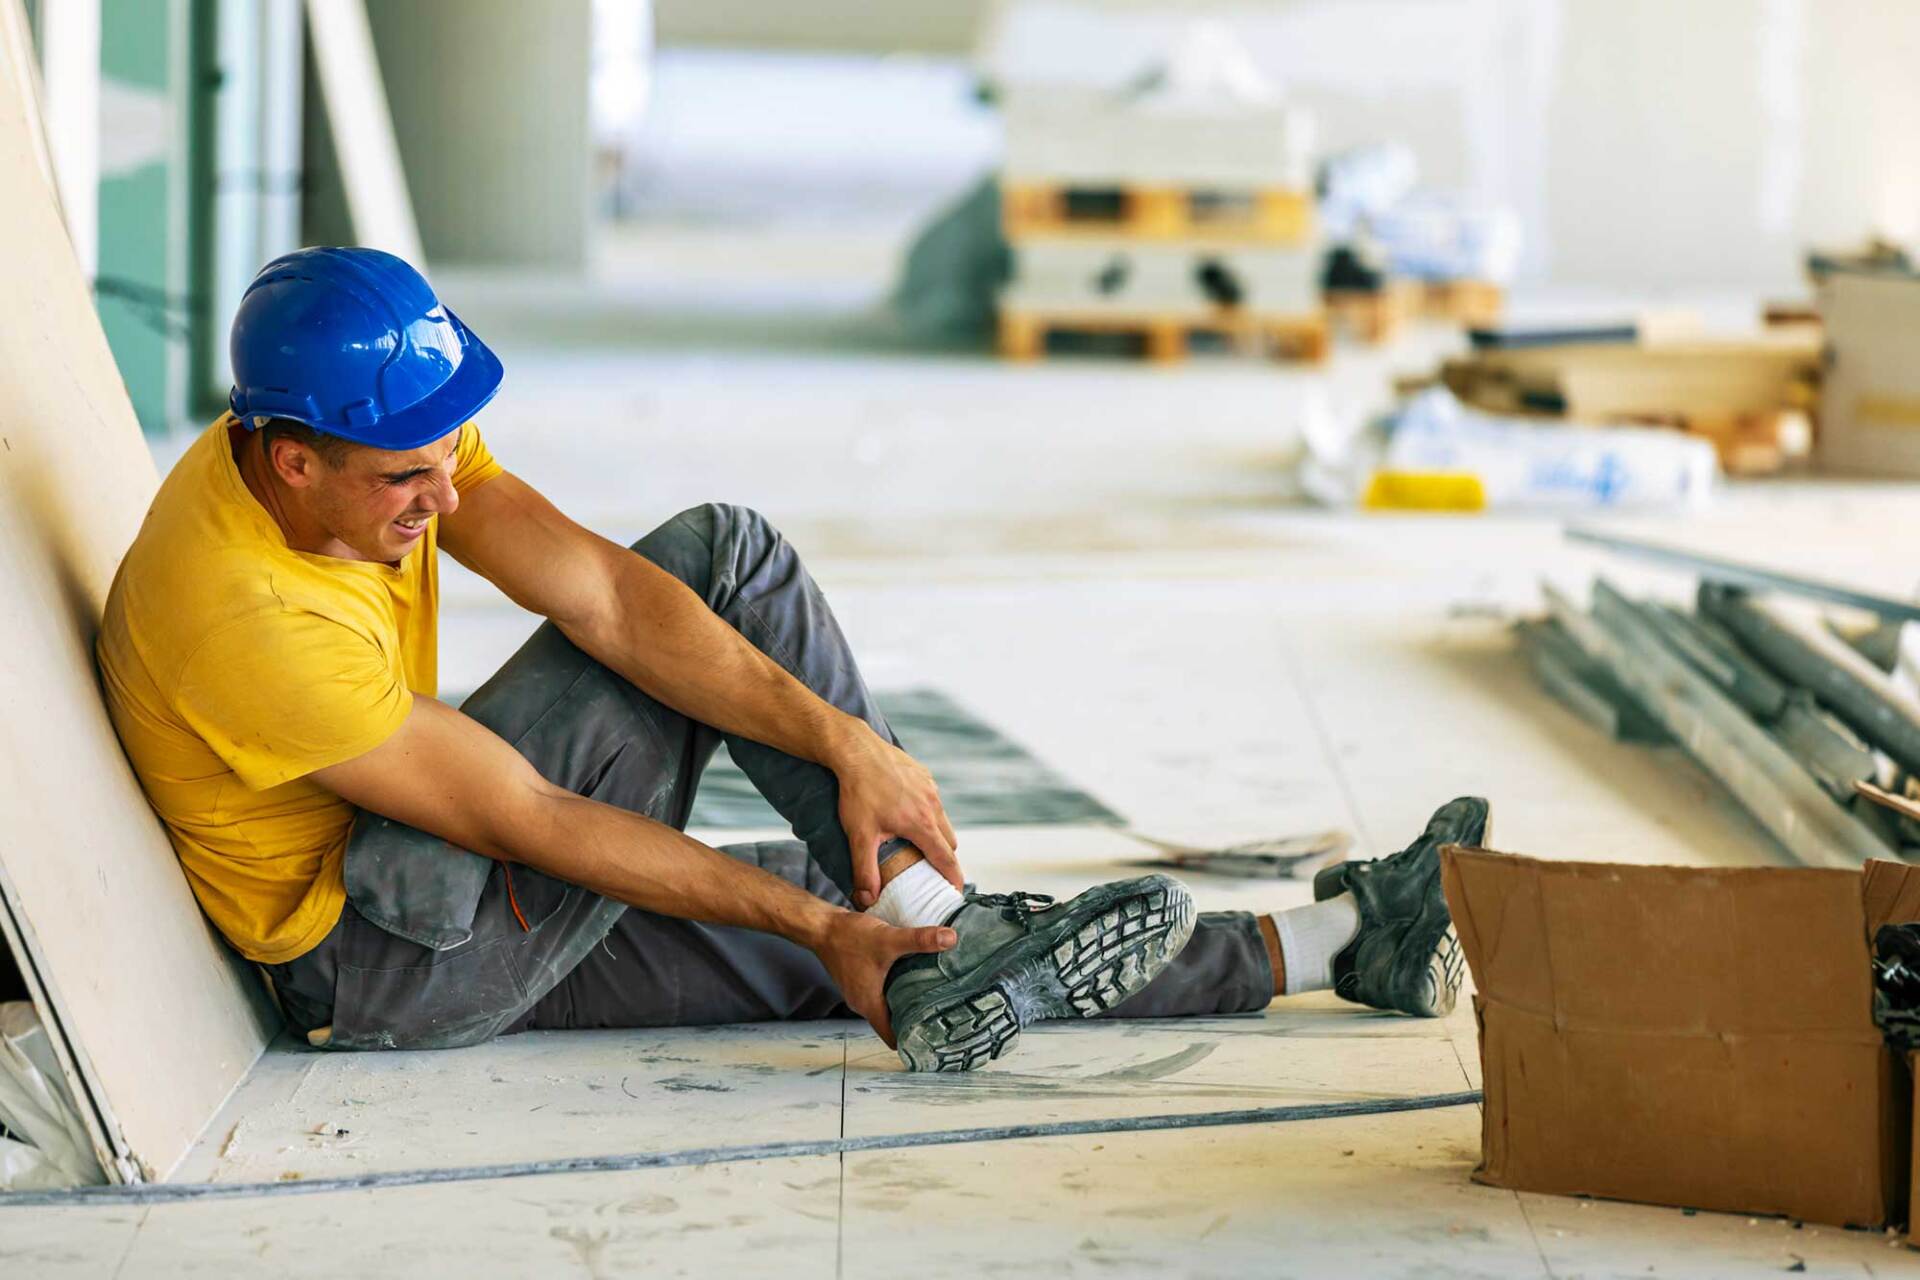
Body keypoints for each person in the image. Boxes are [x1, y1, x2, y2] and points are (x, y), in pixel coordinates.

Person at [97, 248, 1482, 1072]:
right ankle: (940, 916)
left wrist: (846, 750)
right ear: (293, 459)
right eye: (407, 479)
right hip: (386, 951)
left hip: (436, 885)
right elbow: (533, 817)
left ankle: (1346, 942)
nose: (444, 500)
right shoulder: (241, 614)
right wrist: (823, 918)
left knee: (904, 949)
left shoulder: (366, 430)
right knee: (732, 572)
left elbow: (598, 596)